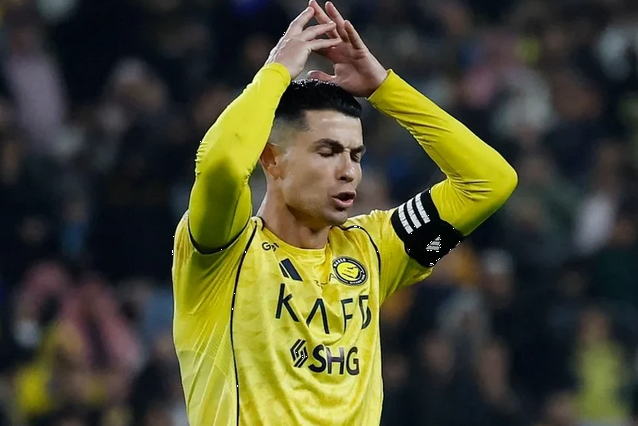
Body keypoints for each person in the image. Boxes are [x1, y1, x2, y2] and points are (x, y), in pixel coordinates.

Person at [171, 1, 517, 425]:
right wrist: (276, 73)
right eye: (328, 151)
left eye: (356, 155)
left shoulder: (372, 249)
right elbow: (222, 165)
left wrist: (384, 88)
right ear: (272, 159)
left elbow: (489, 182)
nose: (349, 171)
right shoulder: (223, 250)